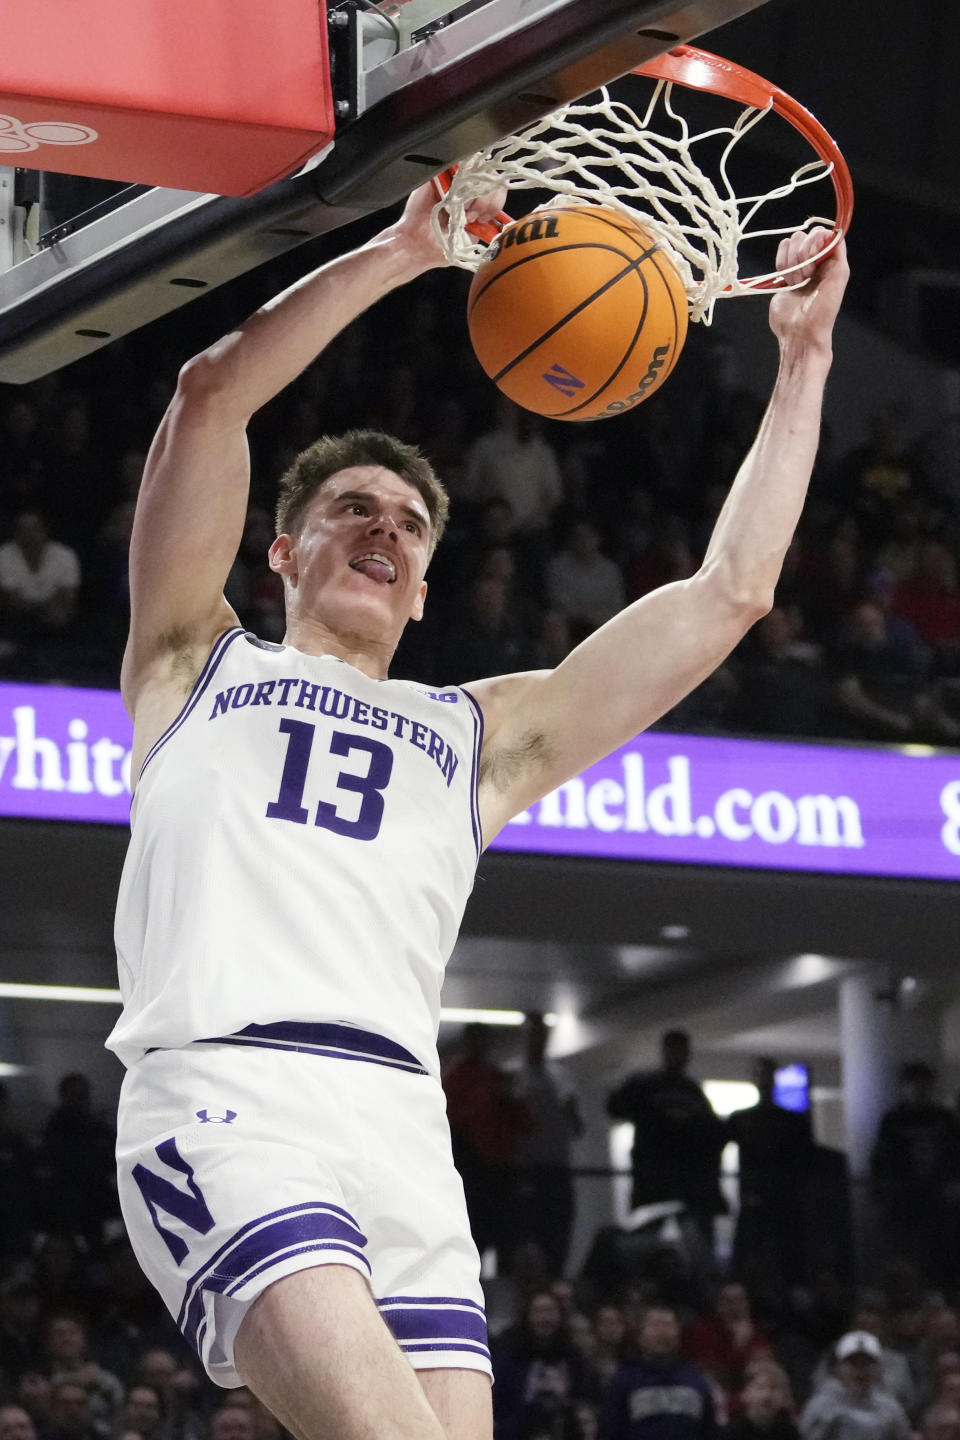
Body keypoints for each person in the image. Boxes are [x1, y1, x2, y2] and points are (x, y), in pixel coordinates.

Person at [104, 162, 847, 1440]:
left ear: (429, 591)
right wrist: (400, 253)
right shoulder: (194, 659)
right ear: (281, 553)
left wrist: (802, 365)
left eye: (408, 523)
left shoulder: (477, 734)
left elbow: (729, 592)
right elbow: (207, 398)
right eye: (347, 510)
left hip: (399, 1122)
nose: (382, 531)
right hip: (230, 1094)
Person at [607, 1030, 727, 1241]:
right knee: (648, 1240)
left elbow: (711, 1135)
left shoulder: (692, 1092)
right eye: (675, 1050)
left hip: (687, 1183)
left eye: (683, 1051)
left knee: (693, 1241)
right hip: (654, 1180)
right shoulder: (647, 1085)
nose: (679, 1056)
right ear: (665, 1052)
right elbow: (615, 1108)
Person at [506, 1012, 584, 1277]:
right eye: (532, 1034)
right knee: (527, 1236)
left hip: (557, 1167)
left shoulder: (561, 1076)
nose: (537, 1040)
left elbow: (576, 1126)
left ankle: (555, 1281)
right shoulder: (513, 1075)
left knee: (558, 1235)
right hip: (524, 1169)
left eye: (542, 1034)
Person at [725, 1059, 815, 1288]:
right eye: (760, 1075)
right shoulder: (743, 1120)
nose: (763, 1080)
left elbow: (807, 1161)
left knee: (787, 1261)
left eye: (766, 1075)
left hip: (784, 1201)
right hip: (755, 1200)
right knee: (751, 1259)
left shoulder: (791, 1122)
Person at [604, 1305, 717, 1440]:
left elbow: (709, 1431)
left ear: (678, 1335)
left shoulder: (697, 1382)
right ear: (640, 1337)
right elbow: (610, 1431)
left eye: (668, 1325)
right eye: (654, 1325)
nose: (661, 1332)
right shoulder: (623, 1383)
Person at [799, 1331, 911, 1440]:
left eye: (867, 1363)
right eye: (853, 1363)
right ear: (838, 1368)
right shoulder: (820, 1406)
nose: (861, 1369)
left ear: (878, 1369)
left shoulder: (890, 1408)